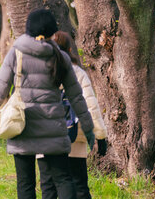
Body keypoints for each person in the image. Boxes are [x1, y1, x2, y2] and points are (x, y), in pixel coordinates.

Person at [0, 9, 95, 199]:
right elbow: (76, 97)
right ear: (52, 33)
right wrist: (89, 129)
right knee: (63, 179)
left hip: (22, 126)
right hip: (53, 128)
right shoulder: (60, 57)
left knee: (25, 183)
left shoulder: (16, 54)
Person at [40, 31, 108, 199]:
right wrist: (100, 136)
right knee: (79, 185)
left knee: (48, 187)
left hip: (45, 136)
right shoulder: (78, 73)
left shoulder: (38, 72)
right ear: (70, 50)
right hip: (74, 136)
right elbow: (90, 106)